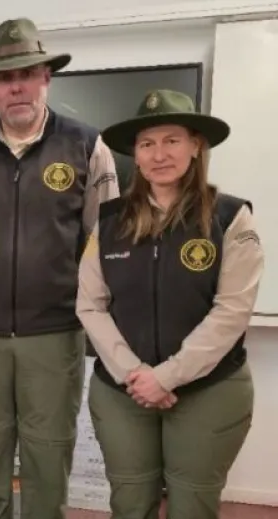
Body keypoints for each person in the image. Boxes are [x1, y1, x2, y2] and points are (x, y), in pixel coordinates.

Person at [0, 17, 120, 519]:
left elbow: (106, 244)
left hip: (55, 333)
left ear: (46, 75)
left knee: (49, 456)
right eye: (3, 77)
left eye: (26, 72)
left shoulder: (89, 146)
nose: (16, 85)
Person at [77, 89, 261, 518]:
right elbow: (90, 304)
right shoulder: (109, 222)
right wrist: (136, 374)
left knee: (192, 505)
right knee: (129, 502)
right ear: (135, 156)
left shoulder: (230, 218)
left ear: (196, 145)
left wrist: (169, 376)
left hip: (208, 390)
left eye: (172, 140)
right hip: (123, 390)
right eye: (147, 143)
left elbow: (231, 312)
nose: (159, 154)